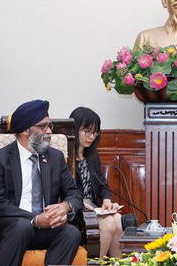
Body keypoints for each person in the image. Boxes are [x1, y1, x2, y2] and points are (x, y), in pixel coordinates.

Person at [0, 99, 83, 266]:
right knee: (22, 227)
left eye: (49, 126)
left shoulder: (54, 157)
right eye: (43, 127)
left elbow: (73, 192)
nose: (49, 131)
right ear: (25, 130)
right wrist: (36, 219)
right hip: (5, 227)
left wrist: (66, 206)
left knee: (71, 232)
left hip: (43, 229)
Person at [69, 107, 124, 258]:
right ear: (74, 129)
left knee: (118, 219)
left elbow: (102, 185)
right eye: (87, 132)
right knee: (107, 224)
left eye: (95, 132)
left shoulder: (92, 156)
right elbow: (63, 190)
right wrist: (79, 203)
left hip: (93, 208)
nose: (91, 136)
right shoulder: (64, 157)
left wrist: (107, 199)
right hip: (76, 210)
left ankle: (115, 263)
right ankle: (97, 262)